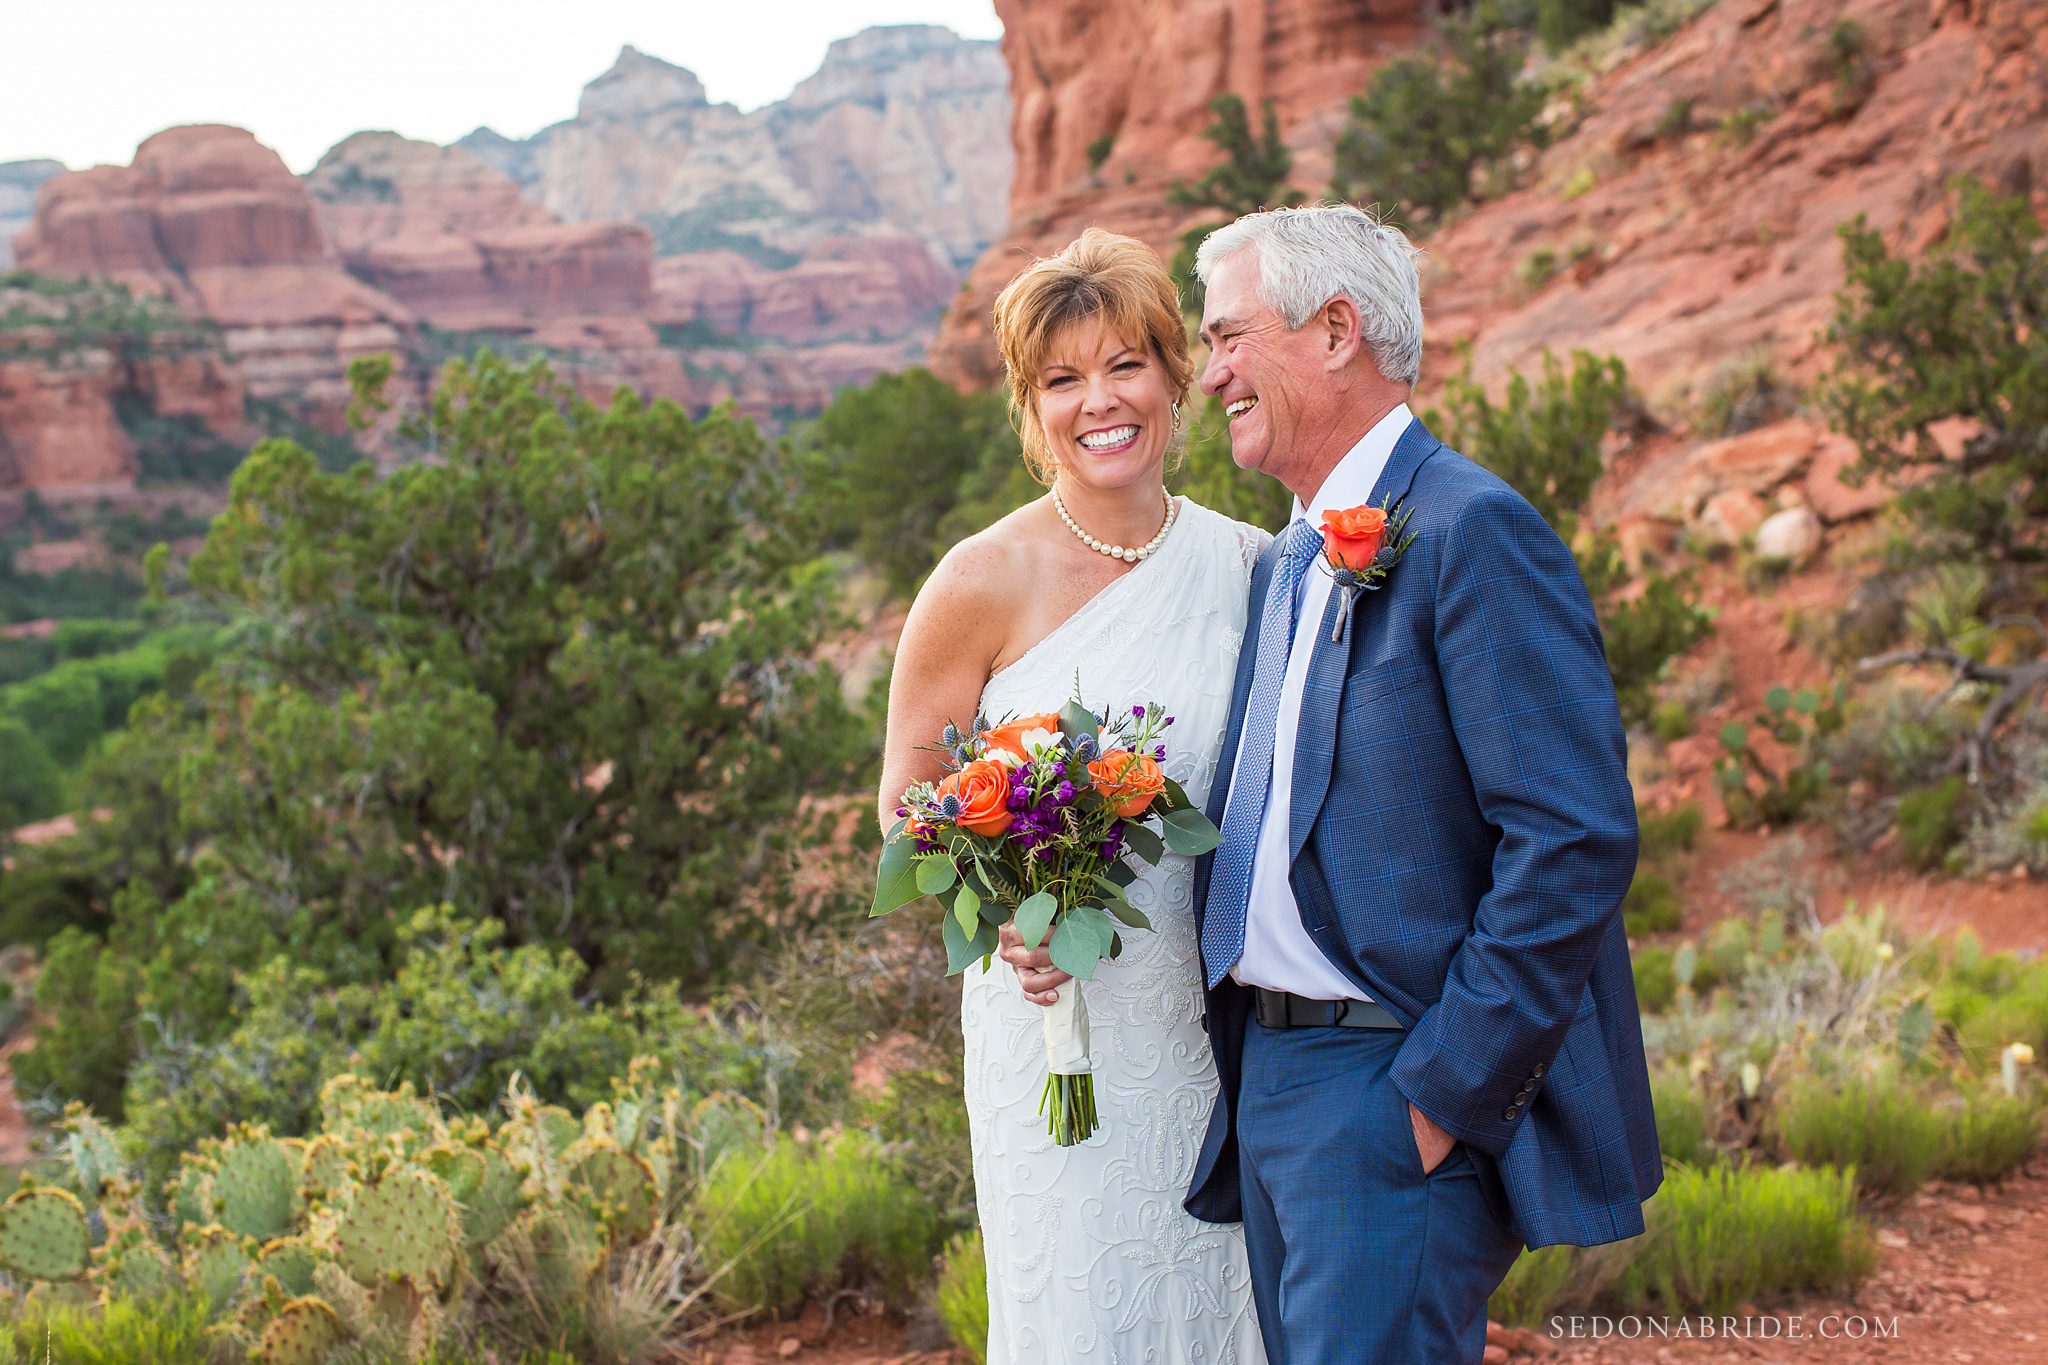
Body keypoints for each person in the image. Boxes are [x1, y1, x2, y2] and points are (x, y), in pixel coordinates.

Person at [1007, 204, 1662, 1363]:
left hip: (1387, 1086)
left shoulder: (1469, 530)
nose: (1207, 377)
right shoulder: (1289, 558)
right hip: (1269, 1080)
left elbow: (1572, 839)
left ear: (1335, 330)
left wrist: (1437, 1102)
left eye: (1225, 339)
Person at [877, 228, 1271, 1363]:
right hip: (1056, 1021)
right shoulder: (979, 579)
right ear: (1027, 403)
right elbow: (908, 799)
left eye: (1124, 366)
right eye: (1061, 380)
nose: (1098, 402)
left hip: (1216, 1028)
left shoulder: (1250, 564)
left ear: (1172, 377)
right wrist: (999, 909)